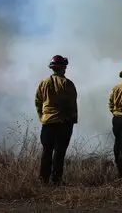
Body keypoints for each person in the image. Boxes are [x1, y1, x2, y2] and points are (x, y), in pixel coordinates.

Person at [35, 55, 78, 185]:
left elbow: (38, 101)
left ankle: (43, 180)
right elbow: (72, 103)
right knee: (59, 153)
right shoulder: (67, 83)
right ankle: (56, 180)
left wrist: (42, 116)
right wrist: (72, 119)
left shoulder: (43, 83)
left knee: (46, 151)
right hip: (63, 123)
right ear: (63, 68)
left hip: (47, 122)